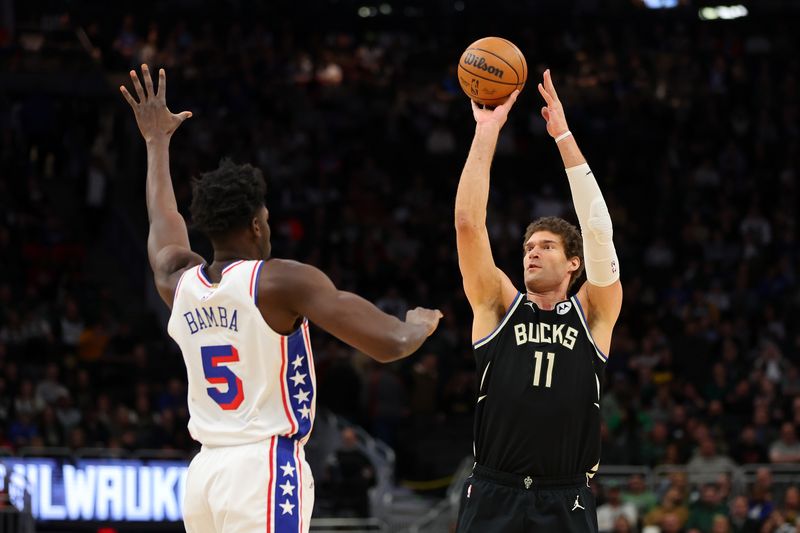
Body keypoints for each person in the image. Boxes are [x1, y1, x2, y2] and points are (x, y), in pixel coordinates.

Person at [120, 65, 442, 533]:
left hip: (205, 475)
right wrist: (418, 324)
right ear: (255, 225)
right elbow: (390, 343)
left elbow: (162, 217)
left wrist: (156, 143)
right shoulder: (280, 282)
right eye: (266, 218)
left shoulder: (177, 281)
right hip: (263, 468)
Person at [454, 69, 623, 533]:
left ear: (574, 264)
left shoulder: (594, 312)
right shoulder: (497, 305)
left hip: (565, 496)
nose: (532, 251)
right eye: (528, 246)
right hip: (494, 490)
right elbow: (469, 224)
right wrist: (486, 132)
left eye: (546, 246)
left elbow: (599, 231)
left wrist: (563, 136)